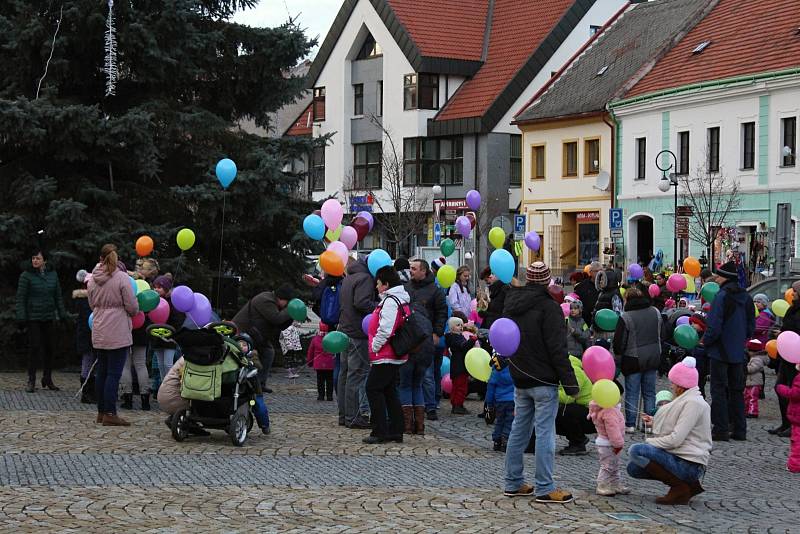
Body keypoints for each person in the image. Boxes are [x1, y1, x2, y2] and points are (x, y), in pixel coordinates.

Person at [502, 261, 578, 503]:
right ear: (547, 281)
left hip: (520, 375)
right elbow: (558, 349)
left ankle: (512, 482)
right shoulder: (549, 307)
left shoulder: (512, 304)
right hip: (543, 379)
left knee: (519, 431)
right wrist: (571, 384)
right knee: (545, 433)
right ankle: (545, 487)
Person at [627, 357, 711, 505]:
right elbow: (676, 426)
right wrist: (654, 423)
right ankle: (686, 486)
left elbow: (676, 439)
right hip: (680, 458)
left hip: (689, 464)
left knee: (636, 450)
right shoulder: (686, 400)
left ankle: (680, 487)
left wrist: (650, 442)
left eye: (673, 382)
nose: (671, 386)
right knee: (633, 468)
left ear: (680, 385)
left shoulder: (693, 403)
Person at [702, 260, 755, 441]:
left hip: (720, 350)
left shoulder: (721, 296)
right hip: (738, 351)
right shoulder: (746, 297)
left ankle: (721, 430)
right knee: (736, 391)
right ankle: (740, 429)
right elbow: (750, 326)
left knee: (718, 391)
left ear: (725, 277)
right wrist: (740, 340)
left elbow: (714, 325)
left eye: (718, 274)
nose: (715, 277)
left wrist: (705, 342)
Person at [87, 244, 139, 426]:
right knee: (113, 374)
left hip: (100, 328)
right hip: (117, 330)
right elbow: (132, 306)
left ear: (100, 258)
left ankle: (101, 412)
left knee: (101, 372)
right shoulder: (122, 278)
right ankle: (110, 412)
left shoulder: (93, 279)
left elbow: (91, 303)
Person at [363, 265, 409, 444]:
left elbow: (386, 328)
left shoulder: (391, 301)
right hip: (389, 354)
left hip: (385, 354)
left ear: (386, 284)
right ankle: (396, 430)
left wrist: (374, 346)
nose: (376, 287)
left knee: (372, 388)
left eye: (379, 283)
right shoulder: (396, 299)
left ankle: (380, 430)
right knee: (389, 391)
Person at [15, 249, 68, 392]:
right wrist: (21, 316)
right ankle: (31, 380)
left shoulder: (52, 275)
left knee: (49, 347)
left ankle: (47, 378)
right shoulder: (26, 276)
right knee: (35, 347)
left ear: (44, 261)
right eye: (33, 258)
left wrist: (62, 314)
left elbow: (58, 296)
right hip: (33, 317)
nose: (34, 261)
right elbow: (21, 298)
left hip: (49, 316)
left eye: (38, 258)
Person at [613, 286, 662, 433]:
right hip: (653, 356)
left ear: (627, 299)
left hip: (633, 358)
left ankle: (630, 424)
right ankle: (649, 424)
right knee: (649, 393)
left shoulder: (626, 316)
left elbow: (619, 342)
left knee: (632, 392)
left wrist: (618, 358)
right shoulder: (655, 312)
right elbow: (661, 333)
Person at [232, 284, 296, 393]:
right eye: (287, 302)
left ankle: (260, 383)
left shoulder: (270, 300)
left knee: (268, 353)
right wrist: (291, 310)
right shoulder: (265, 300)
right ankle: (245, 383)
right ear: (281, 298)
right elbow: (276, 318)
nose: (286, 306)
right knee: (245, 358)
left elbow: (279, 323)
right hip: (243, 333)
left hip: (255, 334)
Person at [406, 258, 448, 421]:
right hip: (409, 337)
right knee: (409, 374)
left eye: (415, 268)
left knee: (427, 374)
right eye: (411, 268)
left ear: (424, 271)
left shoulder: (434, 290)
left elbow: (441, 313)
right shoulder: (407, 288)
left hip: (427, 337)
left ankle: (430, 407)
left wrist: (437, 333)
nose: (411, 271)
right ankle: (411, 406)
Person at [336, 256, 375, 428]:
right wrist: (378, 306)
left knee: (344, 374)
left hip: (345, 331)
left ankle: (344, 415)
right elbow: (361, 303)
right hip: (357, 333)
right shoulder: (365, 278)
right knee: (356, 375)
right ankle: (353, 417)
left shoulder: (349, 276)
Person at [122, 260, 159, 410]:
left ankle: (128, 398)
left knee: (125, 364)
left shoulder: (128, 283)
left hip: (127, 325)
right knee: (140, 363)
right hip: (142, 326)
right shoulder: (149, 287)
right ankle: (145, 400)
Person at [588, 384, 629, 496]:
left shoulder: (600, 408)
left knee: (614, 465)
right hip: (610, 444)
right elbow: (613, 431)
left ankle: (614, 484)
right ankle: (602, 485)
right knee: (608, 465)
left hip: (605, 442)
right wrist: (618, 444)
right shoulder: (609, 412)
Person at [773, 282, 800, 437]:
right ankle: (785, 422)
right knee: (780, 387)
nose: (792, 293)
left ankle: (792, 424)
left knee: (793, 391)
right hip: (786, 355)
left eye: (795, 291)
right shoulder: (792, 308)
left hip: (796, 357)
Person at [150, 275, 185, 387]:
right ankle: (163, 386)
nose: (156, 289)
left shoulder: (173, 301)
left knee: (168, 363)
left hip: (169, 337)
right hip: (157, 337)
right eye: (155, 287)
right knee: (160, 364)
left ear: (166, 288)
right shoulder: (153, 301)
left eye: (159, 287)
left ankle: (170, 386)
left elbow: (178, 320)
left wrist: (172, 332)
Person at [445, 316, 477, 415]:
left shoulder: (453, 337)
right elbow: (464, 347)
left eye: (461, 325)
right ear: (452, 327)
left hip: (457, 365)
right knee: (461, 387)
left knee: (457, 386)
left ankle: (456, 404)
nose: (461, 327)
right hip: (460, 366)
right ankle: (458, 405)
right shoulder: (455, 338)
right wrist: (472, 340)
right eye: (458, 325)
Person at [73, 269, 95, 403]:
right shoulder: (89, 301)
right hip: (89, 335)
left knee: (87, 363)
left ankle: (87, 392)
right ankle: (88, 392)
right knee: (89, 363)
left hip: (85, 335)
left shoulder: (81, 300)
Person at [486, 355, 514, 452]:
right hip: (512, 400)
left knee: (499, 420)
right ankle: (505, 440)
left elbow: (490, 388)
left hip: (499, 401)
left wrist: (489, 403)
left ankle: (496, 441)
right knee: (509, 421)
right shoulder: (514, 369)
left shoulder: (495, 372)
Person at [775, 362, 800, 473]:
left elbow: (795, 394)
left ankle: (795, 466)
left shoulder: (799, 378)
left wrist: (781, 388)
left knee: (797, 443)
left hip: (798, 417)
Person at [306, 323, 335, 401]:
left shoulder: (315, 339)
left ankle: (321, 396)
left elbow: (310, 351)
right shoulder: (332, 339)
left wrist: (309, 362)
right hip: (330, 363)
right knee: (330, 380)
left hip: (319, 364)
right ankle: (329, 396)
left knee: (320, 380)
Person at [744, 339, 769, 418]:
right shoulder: (756, 358)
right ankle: (747, 410)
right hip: (751, 381)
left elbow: (753, 368)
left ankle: (753, 412)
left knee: (752, 397)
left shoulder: (757, 359)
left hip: (754, 382)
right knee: (747, 396)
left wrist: (745, 368)